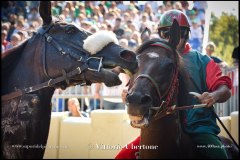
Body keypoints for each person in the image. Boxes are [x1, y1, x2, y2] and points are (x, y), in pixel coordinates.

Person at [116, 9, 232, 159]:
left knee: (219, 156)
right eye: (166, 33)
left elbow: (225, 89)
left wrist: (214, 95)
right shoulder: (155, 58)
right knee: (121, 156)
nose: (174, 38)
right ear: (161, 35)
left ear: (187, 34)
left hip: (199, 129)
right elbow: (143, 85)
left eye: (179, 33)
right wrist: (129, 92)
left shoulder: (203, 61)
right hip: (159, 129)